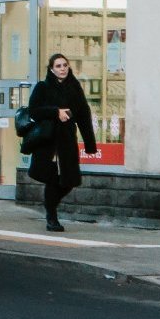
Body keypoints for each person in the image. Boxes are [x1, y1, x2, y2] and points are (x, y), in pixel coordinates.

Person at [28, 52, 99, 232]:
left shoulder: (74, 87)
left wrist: (90, 144)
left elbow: (83, 114)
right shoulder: (42, 87)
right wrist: (55, 112)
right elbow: (34, 111)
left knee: (70, 180)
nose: (62, 69)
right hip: (49, 142)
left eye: (65, 65)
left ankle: (49, 205)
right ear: (52, 69)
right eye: (58, 66)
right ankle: (52, 216)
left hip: (67, 140)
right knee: (53, 180)